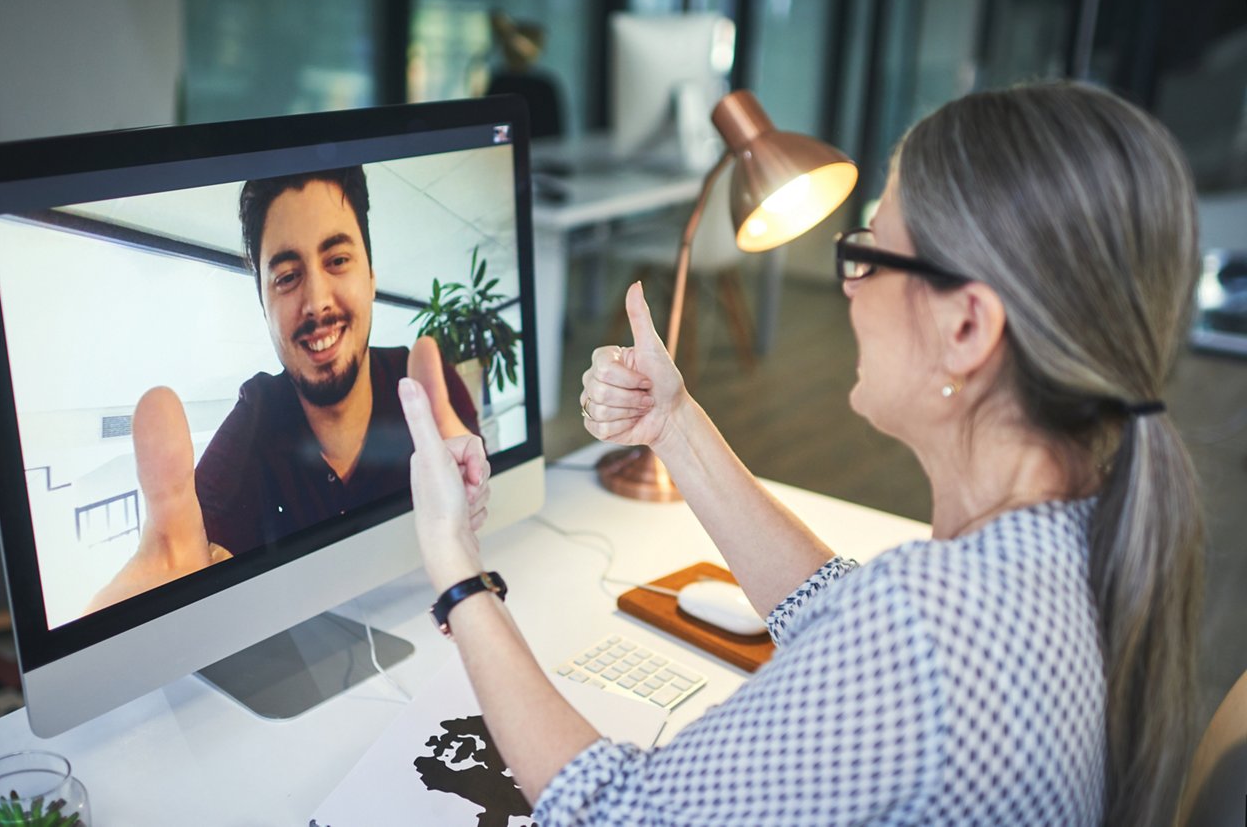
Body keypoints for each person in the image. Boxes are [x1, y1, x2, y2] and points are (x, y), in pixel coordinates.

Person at [398, 81, 1204, 827]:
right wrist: (673, 425)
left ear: (967, 328)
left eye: (872, 255)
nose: (849, 284)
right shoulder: (1078, 534)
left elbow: (608, 812)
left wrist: (455, 565)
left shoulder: (929, 631)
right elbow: (838, 614)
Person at [87, 166, 487, 612]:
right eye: (287, 276)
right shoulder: (251, 428)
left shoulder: (432, 396)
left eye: (337, 261)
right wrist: (164, 613)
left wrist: (472, 501)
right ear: (264, 306)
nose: (316, 302)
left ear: (371, 276)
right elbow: (188, 547)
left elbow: (480, 519)